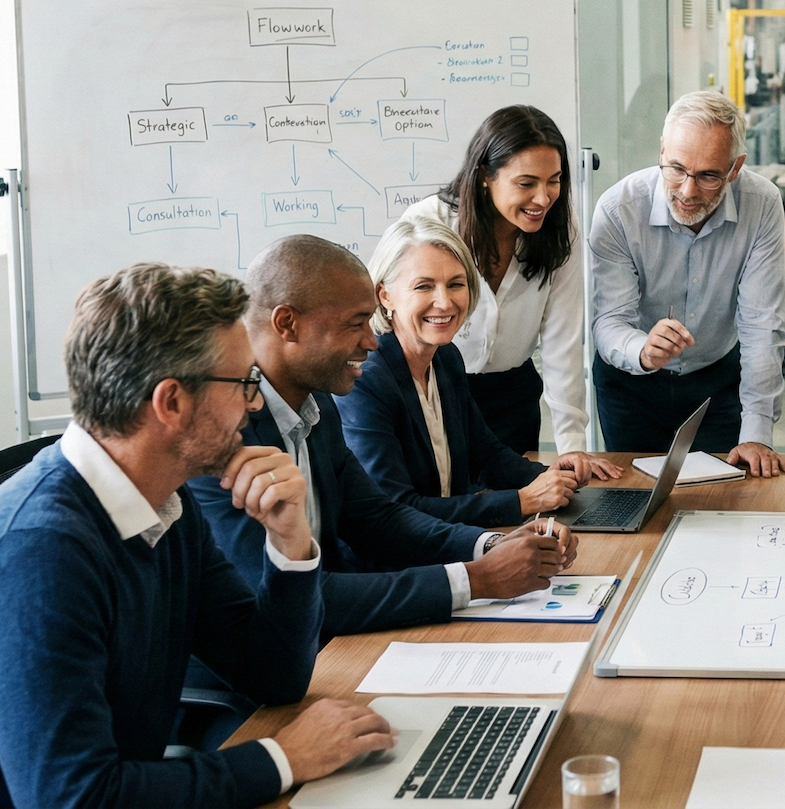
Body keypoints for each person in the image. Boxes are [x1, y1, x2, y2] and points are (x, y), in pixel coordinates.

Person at [0, 264, 394, 806]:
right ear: (171, 403)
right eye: (244, 382)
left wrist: (289, 543)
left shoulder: (165, 503)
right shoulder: (36, 554)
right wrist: (285, 757)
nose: (254, 404)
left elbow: (273, 677)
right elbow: (74, 799)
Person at [189, 235, 578, 640]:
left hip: (326, 647)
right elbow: (291, 598)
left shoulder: (316, 402)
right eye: (355, 324)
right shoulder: (221, 439)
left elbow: (379, 520)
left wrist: (490, 544)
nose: (371, 340)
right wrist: (474, 580)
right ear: (287, 323)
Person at [403, 105, 614, 479]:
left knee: (515, 515)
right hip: (433, 392)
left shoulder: (561, 232)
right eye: (526, 183)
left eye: (554, 180)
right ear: (485, 174)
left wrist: (572, 446)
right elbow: (395, 321)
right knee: (446, 512)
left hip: (513, 397)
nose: (543, 198)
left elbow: (563, 344)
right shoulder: (430, 223)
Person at [337, 218, 586, 527]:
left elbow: (485, 453)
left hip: (445, 543)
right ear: (385, 295)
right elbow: (396, 509)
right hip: (396, 564)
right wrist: (522, 501)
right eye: (424, 286)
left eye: (456, 284)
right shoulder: (366, 381)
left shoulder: (445, 356)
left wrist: (554, 477)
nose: (444, 302)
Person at [590, 91, 785, 475]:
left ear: (735, 168)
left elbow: (762, 325)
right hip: (630, 383)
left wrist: (757, 432)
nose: (687, 190)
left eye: (709, 176)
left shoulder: (761, 204)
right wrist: (643, 349)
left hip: (717, 381)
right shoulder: (618, 210)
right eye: (676, 168)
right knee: (635, 500)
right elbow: (608, 322)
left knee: (722, 498)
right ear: (662, 150)